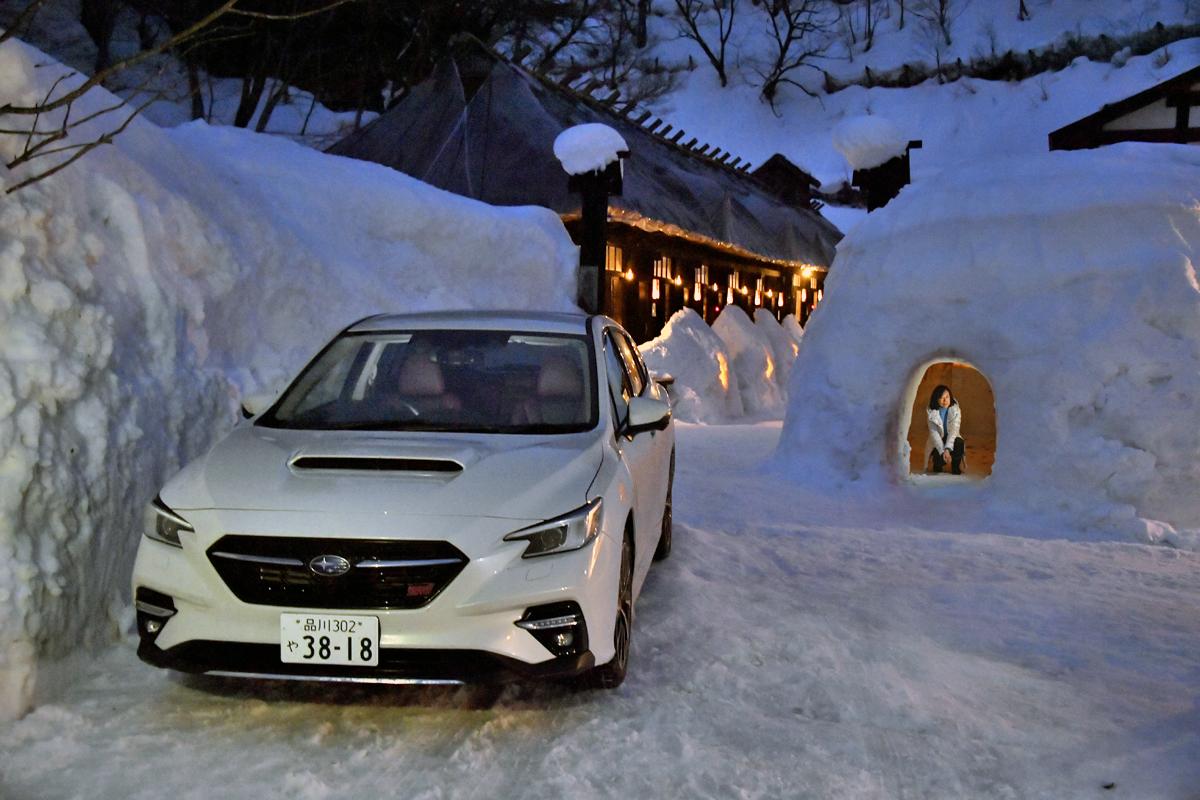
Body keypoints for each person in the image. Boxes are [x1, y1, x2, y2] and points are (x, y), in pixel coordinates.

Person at [926, 384, 965, 475]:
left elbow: (954, 430)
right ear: (936, 399)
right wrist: (942, 451)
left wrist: (947, 449)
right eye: (941, 397)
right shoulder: (931, 412)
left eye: (947, 397)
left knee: (959, 442)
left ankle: (955, 467)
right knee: (939, 458)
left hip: (951, 437)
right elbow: (934, 433)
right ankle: (938, 464)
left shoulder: (955, 409)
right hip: (939, 439)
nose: (945, 400)